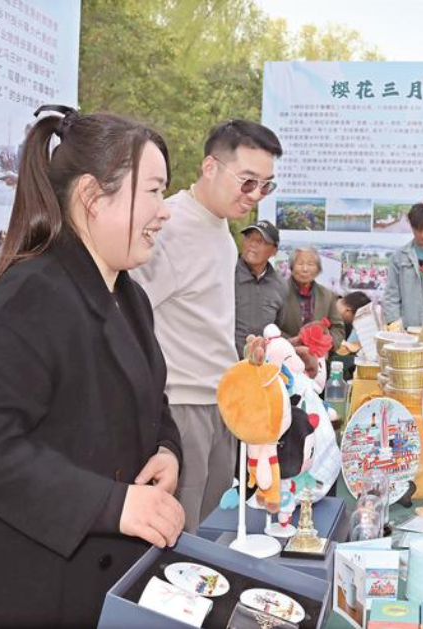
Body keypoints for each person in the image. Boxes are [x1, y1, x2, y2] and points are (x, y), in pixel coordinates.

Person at [0, 106, 185, 627]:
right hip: (34, 592)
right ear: (92, 195)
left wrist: (167, 449)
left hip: (103, 586)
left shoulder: (130, 297)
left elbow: (149, 396)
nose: (165, 212)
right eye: (153, 191)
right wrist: (111, 504)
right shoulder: (26, 299)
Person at [131, 119, 282, 534]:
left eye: (266, 186)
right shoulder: (170, 227)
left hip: (219, 402)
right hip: (181, 406)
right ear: (210, 167)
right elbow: (130, 316)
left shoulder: (220, 229)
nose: (255, 196)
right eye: (247, 181)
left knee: (206, 527)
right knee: (176, 535)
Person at [234, 218, 287, 356]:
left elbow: (277, 328)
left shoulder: (280, 286)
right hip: (225, 361)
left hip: (261, 363)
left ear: (274, 251)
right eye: (249, 238)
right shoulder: (227, 274)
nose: (252, 244)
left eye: (260, 241)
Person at [281, 246, 345, 350]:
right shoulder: (279, 291)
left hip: (317, 355)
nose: (305, 269)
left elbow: (338, 328)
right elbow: (269, 325)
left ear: (318, 270)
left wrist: (325, 344)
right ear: (291, 267)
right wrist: (293, 343)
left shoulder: (327, 295)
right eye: (300, 264)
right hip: (285, 352)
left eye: (310, 264)